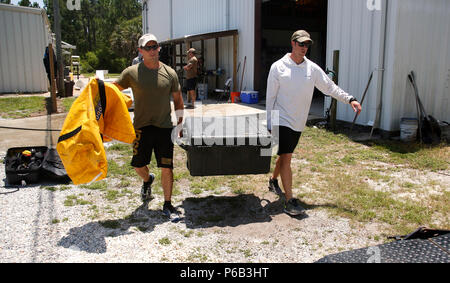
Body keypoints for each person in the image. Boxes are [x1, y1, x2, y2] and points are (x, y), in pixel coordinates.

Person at [266, 30, 362, 216]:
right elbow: (270, 97)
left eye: (307, 45)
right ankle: (290, 201)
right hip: (282, 119)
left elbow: (330, 87)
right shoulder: (278, 67)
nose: (304, 48)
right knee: (287, 156)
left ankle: (273, 180)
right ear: (292, 43)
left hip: (299, 121)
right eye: (301, 44)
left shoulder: (312, 68)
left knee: (286, 155)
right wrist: (269, 122)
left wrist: (350, 99)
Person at [113, 33, 184, 219]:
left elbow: (178, 100)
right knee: (138, 165)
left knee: (167, 167)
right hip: (141, 127)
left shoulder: (170, 73)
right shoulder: (131, 72)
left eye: (155, 47)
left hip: (164, 127)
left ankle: (168, 204)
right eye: (148, 48)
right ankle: (147, 179)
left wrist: (181, 123)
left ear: (159, 49)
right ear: (141, 51)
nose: (153, 51)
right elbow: (113, 90)